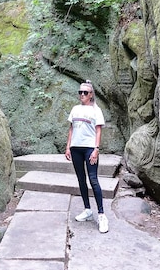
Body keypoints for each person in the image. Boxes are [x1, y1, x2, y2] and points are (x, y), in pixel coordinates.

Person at [65, 80, 108, 233]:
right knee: (81, 179)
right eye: (80, 92)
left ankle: (102, 215)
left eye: (85, 92)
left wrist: (96, 149)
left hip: (90, 148)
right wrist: (68, 147)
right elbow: (71, 129)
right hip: (76, 148)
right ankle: (87, 210)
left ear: (91, 95)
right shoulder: (75, 109)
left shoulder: (96, 110)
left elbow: (98, 131)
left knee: (93, 179)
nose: (82, 95)